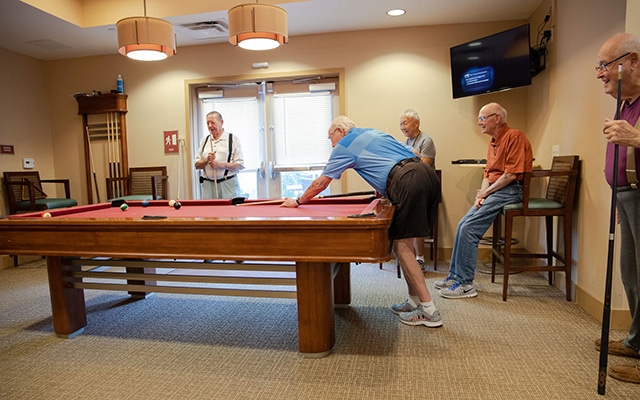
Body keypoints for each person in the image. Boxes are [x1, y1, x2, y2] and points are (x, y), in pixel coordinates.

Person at [281, 116, 442, 327]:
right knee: (407, 244)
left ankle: (430, 311)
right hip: (427, 176)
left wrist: (299, 200)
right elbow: (415, 154)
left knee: (401, 246)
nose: (332, 144)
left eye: (331, 137)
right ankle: (413, 302)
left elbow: (322, 182)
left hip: (407, 182)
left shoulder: (345, 145)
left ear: (340, 130)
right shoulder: (374, 132)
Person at [435, 102, 532, 299]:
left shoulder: (515, 136)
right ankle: (455, 276)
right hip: (497, 190)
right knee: (463, 224)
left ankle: (466, 284)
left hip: (511, 190)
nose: (479, 123)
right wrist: (482, 194)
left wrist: (485, 194)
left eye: (482, 118)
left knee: (470, 229)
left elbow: (511, 175)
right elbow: (488, 173)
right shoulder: (493, 141)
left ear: (497, 118)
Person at [594, 32, 640, 385]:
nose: (600, 74)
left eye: (605, 65)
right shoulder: (625, 105)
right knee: (632, 274)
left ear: (634, 61)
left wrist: (636, 138)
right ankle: (637, 341)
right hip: (626, 198)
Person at [400, 109, 436, 271]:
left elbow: (425, 166)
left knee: (415, 215)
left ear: (416, 123)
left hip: (425, 186)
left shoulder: (426, 141)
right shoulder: (407, 142)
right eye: (401, 123)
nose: (402, 127)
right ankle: (406, 256)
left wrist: (413, 158)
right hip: (412, 184)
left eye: (405, 123)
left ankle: (420, 259)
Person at [195, 111, 245, 199]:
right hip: (208, 185)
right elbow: (197, 165)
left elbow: (240, 165)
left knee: (230, 212)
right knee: (209, 212)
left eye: (213, 122)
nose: (210, 126)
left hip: (228, 184)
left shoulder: (233, 139)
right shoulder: (204, 141)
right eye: (208, 123)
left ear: (221, 122)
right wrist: (206, 160)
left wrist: (221, 165)